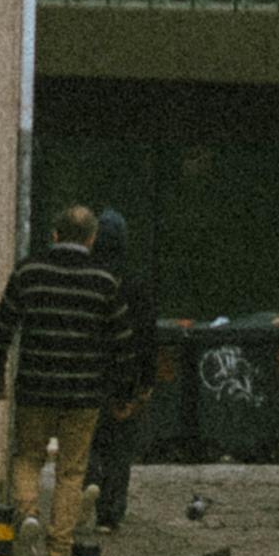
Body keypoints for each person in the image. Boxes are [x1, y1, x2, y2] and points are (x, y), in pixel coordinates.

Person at [0, 198, 139, 552]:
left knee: (28, 457)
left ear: (54, 234)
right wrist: (124, 393)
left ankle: (29, 512)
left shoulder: (28, 272)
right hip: (83, 393)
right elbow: (123, 344)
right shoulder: (104, 281)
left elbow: (2, 328)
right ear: (91, 238)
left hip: (35, 386)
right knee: (71, 471)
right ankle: (58, 549)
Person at [86, 204, 161, 536]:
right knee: (119, 446)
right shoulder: (135, 284)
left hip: (87, 376)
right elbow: (147, 336)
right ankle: (110, 514)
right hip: (123, 377)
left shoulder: (86, 280)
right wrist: (145, 382)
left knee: (86, 439)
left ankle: (89, 481)